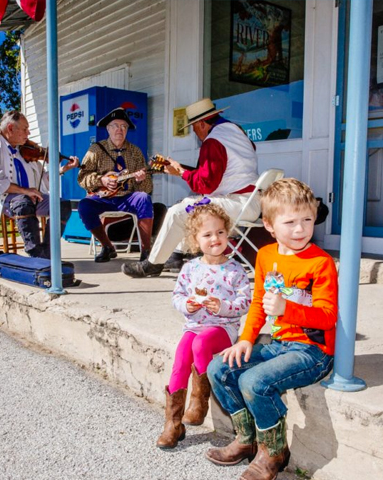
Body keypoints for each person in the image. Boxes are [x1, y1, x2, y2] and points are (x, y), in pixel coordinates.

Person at [205, 179, 338, 480]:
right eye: (290, 222)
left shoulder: (320, 262)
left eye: (307, 219)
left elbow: (328, 318)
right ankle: (246, 439)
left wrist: (286, 309)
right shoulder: (265, 255)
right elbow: (257, 303)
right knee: (219, 368)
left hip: (312, 351)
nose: (300, 229)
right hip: (279, 341)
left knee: (254, 381)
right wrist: (246, 339)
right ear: (269, 224)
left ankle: (274, 451)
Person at [123, 97, 260, 278]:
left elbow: (205, 185)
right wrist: (181, 169)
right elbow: (215, 172)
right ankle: (176, 256)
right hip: (249, 202)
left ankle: (153, 264)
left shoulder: (213, 142)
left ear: (202, 123)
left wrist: (181, 172)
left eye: (194, 128)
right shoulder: (235, 132)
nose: (195, 133)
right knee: (188, 206)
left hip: (236, 203)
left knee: (177, 211)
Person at [157, 202, 251, 450]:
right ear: (195, 239)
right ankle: (173, 424)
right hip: (194, 325)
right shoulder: (190, 268)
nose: (215, 238)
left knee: (201, 344)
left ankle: (199, 400)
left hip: (222, 329)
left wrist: (222, 306)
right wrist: (186, 305)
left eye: (220, 232)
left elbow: (244, 302)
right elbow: (177, 295)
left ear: (227, 233)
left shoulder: (234, 270)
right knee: (180, 361)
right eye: (207, 234)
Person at [0, 110, 79, 259]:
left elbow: (42, 181)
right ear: (10, 128)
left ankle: (47, 253)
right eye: (25, 129)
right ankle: (35, 252)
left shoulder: (25, 151)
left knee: (63, 204)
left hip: (30, 197)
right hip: (3, 199)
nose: (28, 133)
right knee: (24, 202)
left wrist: (64, 169)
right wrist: (26, 191)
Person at [77, 107, 154, 263]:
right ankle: (107, 246)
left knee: (144, 198)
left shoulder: (135, 152)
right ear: (108, 128)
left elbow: (147, 189)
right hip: (103, 198)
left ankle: (146, 252)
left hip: (127, 197)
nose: (120, 130)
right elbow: (82, 178)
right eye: (116, 126)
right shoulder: (96, 150)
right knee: (84, 206)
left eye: (124, 126)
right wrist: (101, 180)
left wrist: (141, 180)